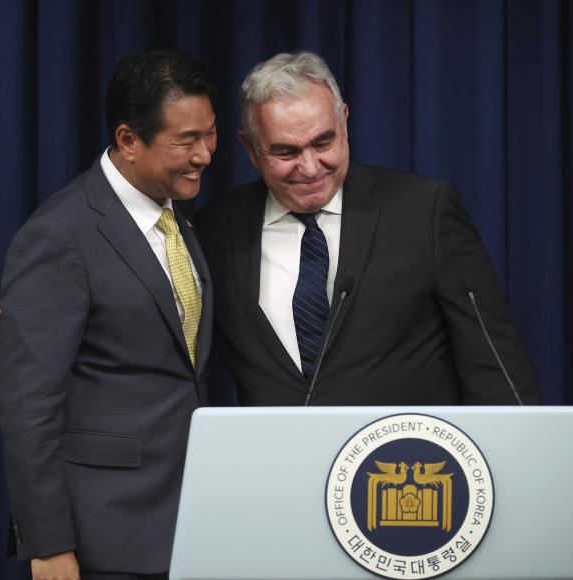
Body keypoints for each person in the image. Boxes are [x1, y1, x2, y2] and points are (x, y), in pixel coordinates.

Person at [0, 48, 218, 580]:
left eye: (212, 134)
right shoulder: (59, 233)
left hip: (172, 529)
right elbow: (28, 405)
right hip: (96, 542)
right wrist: (48, 544)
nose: (205, 155)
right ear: (128, 140)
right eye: (187, 139)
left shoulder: (180, 218)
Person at [194, 51, 542, 406]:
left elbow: (495, 360)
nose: (311, 167)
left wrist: (519, 450)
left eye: (323, 142)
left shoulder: (424, 211)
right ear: (251, 149)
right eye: (286, 152)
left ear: (344, 121)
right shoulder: (215, 230)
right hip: (280, 457)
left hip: (401, 458)